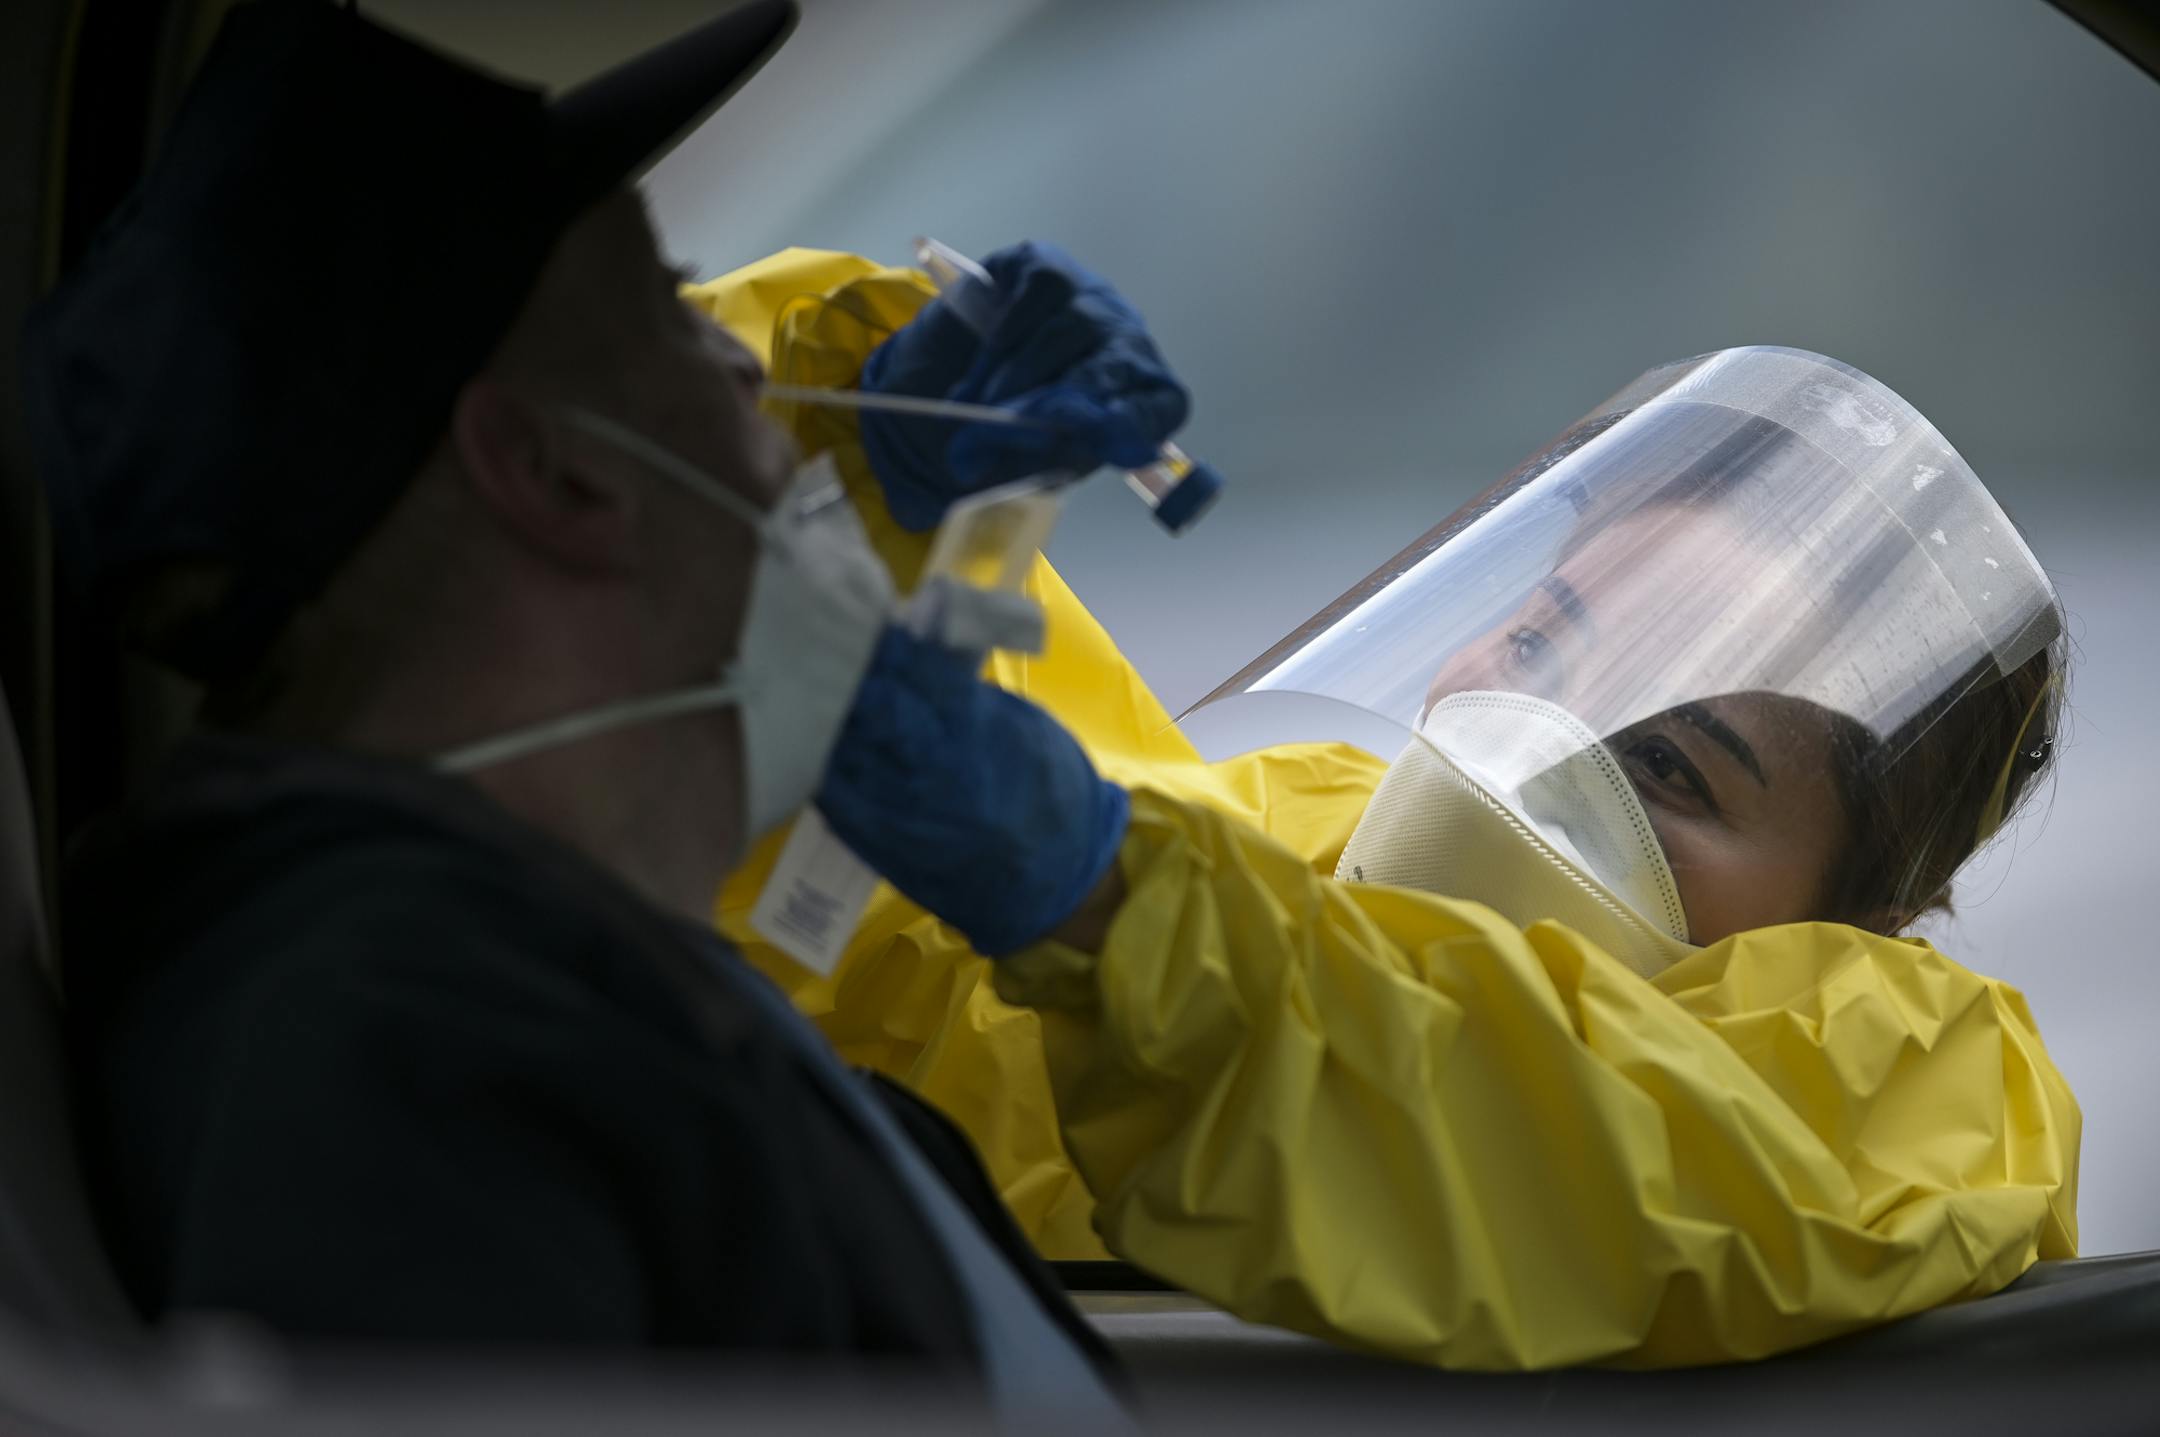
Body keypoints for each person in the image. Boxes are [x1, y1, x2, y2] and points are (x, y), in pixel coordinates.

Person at [21, 2, 1186, 1418]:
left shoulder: (561, 979)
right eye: (673, 304)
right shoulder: (402, 1048)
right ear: (557, 474)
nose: (755, 367)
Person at [706, 251, 2081, 1369]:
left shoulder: (1927, 1102)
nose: (1536, 750)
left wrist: (1115, 908)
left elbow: (1543, 1135)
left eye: (1670, 767)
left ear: (1869, 920)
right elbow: (875, 975)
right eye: (1540, 644)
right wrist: (847, 493)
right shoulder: (1262, 850)